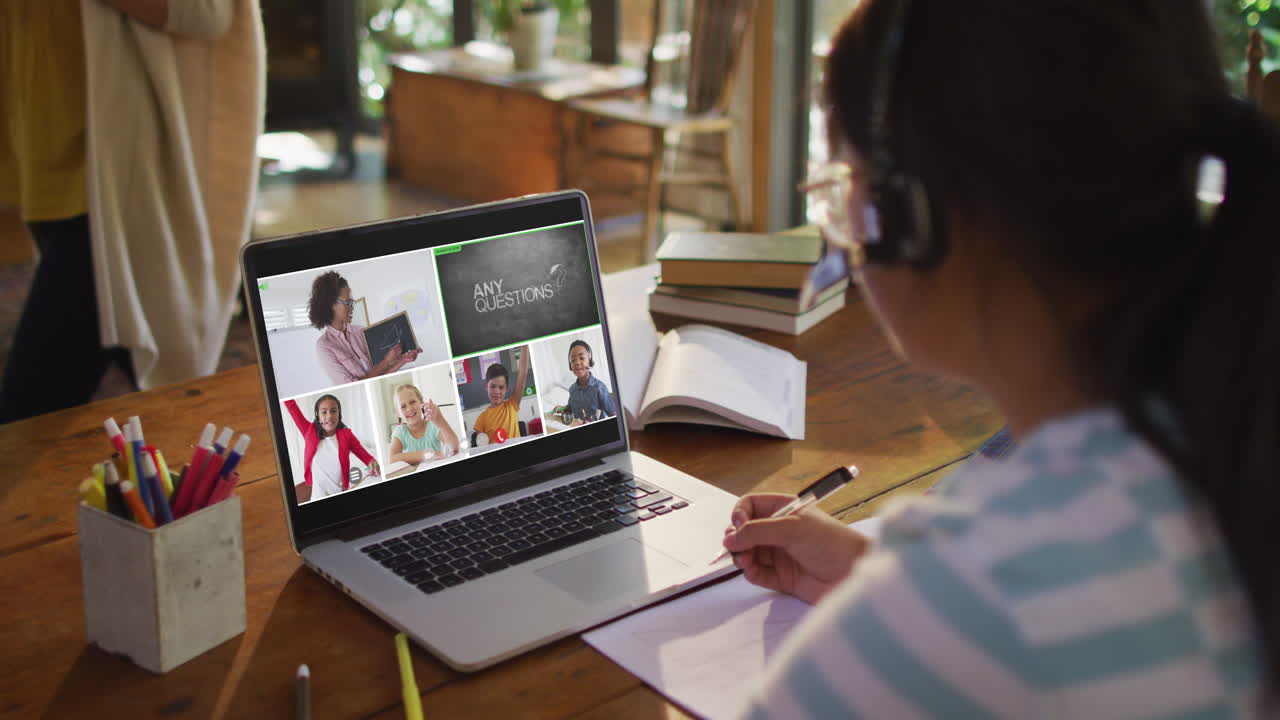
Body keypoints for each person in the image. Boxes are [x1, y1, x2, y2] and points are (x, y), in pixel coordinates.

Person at [721, 1, 1276, 716]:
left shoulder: (977, 592)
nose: (846, 237)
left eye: (842, 187)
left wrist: (918, 613)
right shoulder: (1226, 439)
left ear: (916, 211)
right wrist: (880, 580)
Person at [0, 0, 264, 423]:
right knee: (146, 382)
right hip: (46, 163)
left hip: (116, 184)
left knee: (26, 412)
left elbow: (209, 11)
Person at [309, 271, 421, 385]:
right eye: (347, 302)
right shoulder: (324, 346)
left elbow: (381, 374)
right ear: (330, 304)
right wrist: (386, 362)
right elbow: (353, 385)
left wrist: (403, 360)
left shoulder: (361, 331)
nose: (352, 307)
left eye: (352, 302)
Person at [284, 395, 380, 503]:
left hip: (340, 491)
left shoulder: (347, 435)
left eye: (333, 411)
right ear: (318, 415)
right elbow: (291, 406)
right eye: (324, 412)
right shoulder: (308, 431)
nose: (329, 416)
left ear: (339, 414)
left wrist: (373, 464)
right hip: (317, 497)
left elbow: (366, 457)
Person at [388, 383, 460, 466]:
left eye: (412, 402)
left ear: (421, 403)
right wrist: (426, 454)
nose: (409, 408)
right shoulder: (400, 432)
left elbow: (454, 448)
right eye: (403, 406)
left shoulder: (433, 425)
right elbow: (392, 459)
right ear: (398, 413)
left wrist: (441, 421)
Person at [473, 345, 530, 444]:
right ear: (486, 386)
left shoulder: (512, 404)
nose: (497, 392)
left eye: (501, 387)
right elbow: (482, 446)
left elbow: (523, 373)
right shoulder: (481, 419)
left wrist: (524, 347)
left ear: (506, 389)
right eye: (492, 386)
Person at [565, 340, 615, 424]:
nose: (577, 362)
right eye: (573, 360)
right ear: (570, 365)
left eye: (582, 358)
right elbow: (570, 408)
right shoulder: (572, 389)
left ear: (590, 361)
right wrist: (562, 409)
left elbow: (613, 415)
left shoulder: (600, 388)